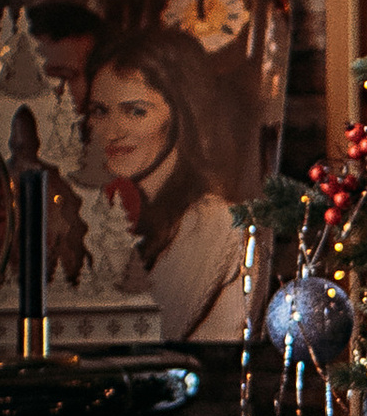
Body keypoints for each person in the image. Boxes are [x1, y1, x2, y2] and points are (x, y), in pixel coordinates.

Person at [84, 21, 249, 342]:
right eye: (100, 111)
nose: (111, 132)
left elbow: (151, 330)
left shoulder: (215, 220)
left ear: (181, 115)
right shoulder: (110, 210)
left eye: (135, 112)